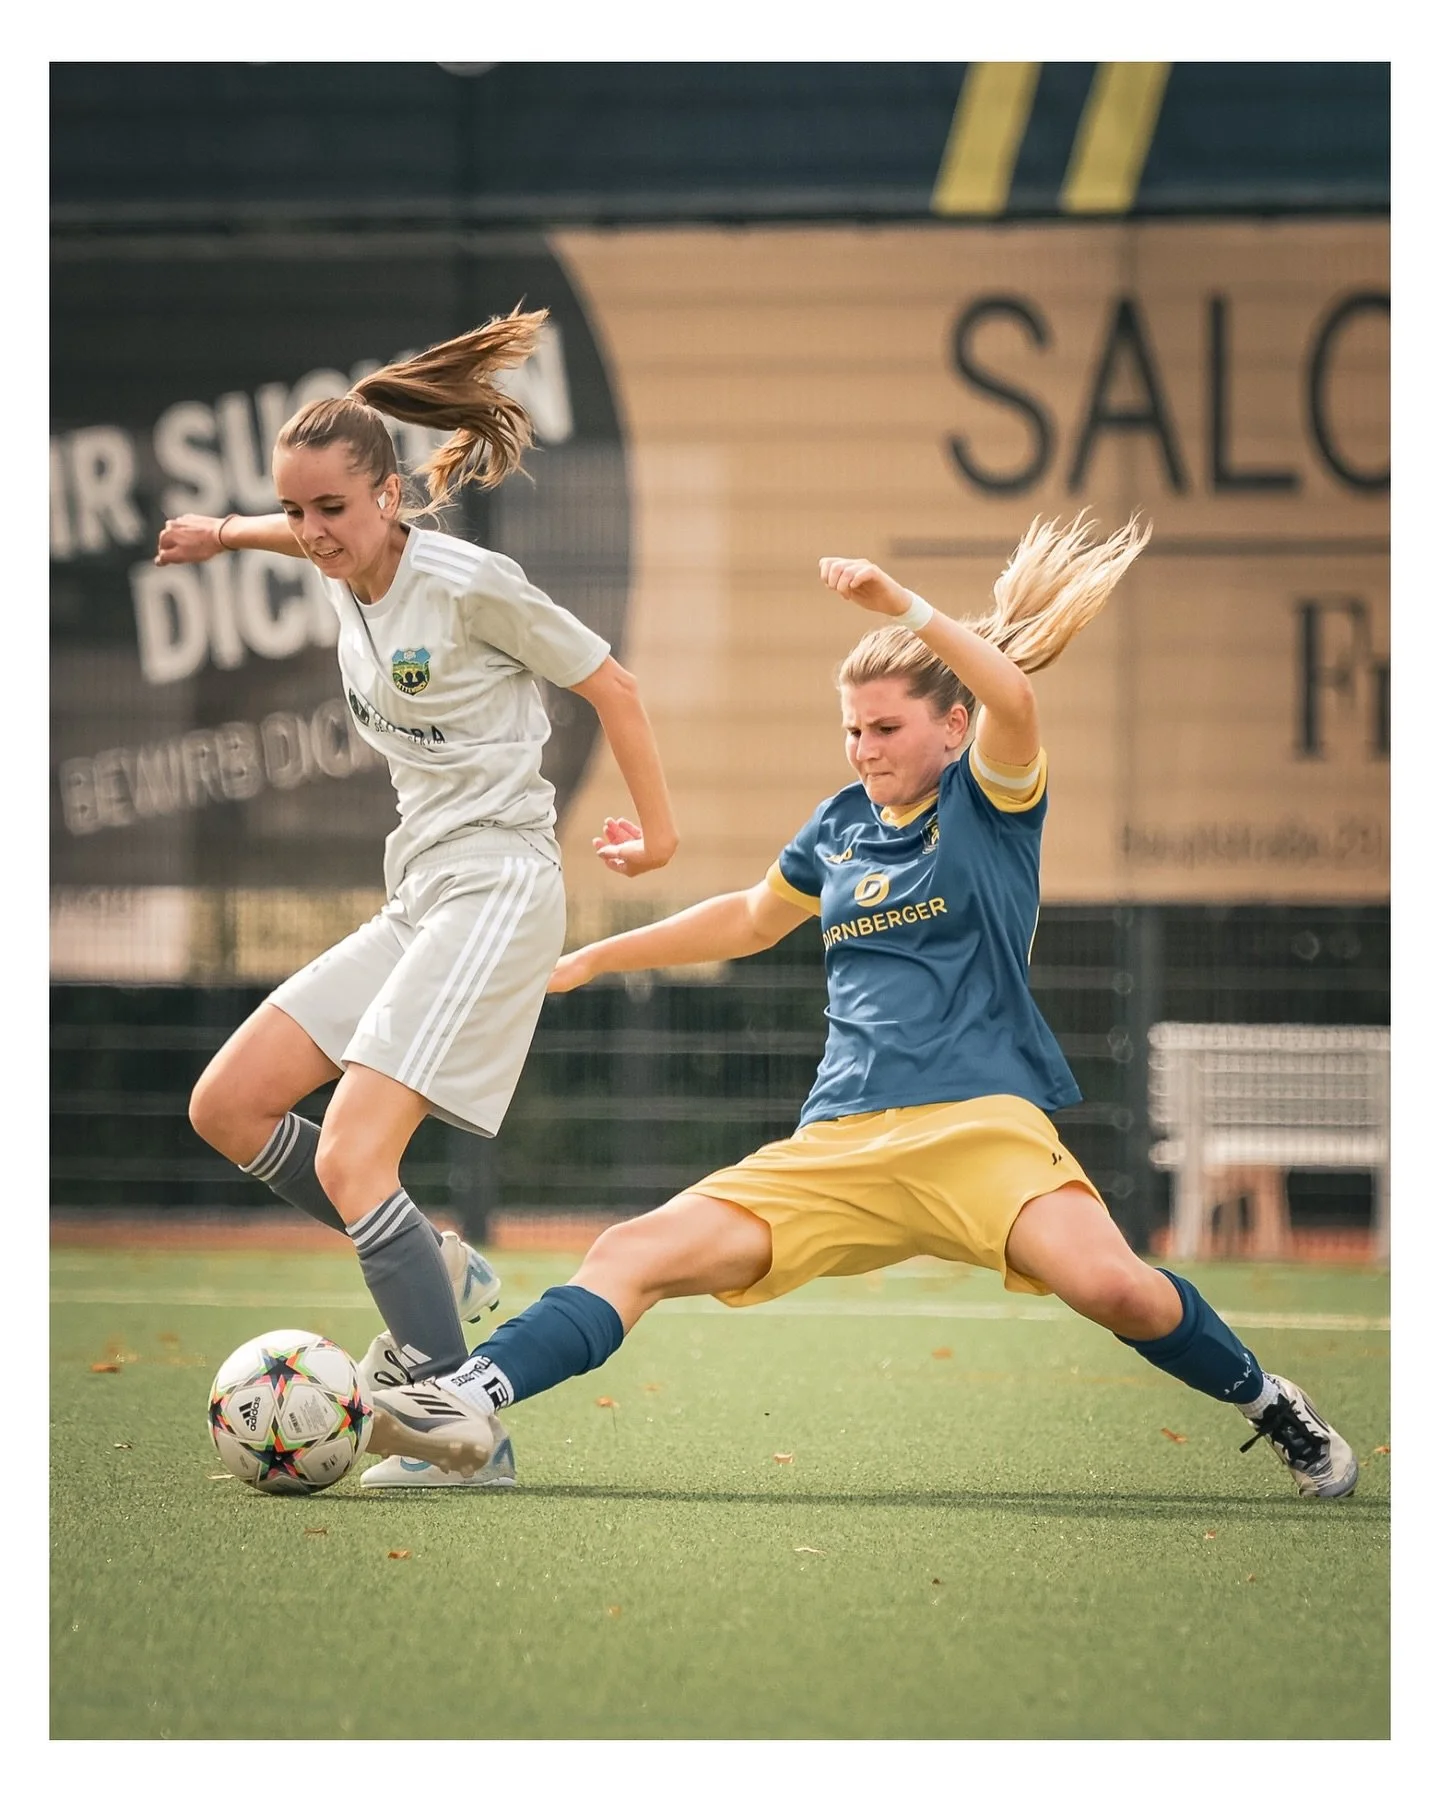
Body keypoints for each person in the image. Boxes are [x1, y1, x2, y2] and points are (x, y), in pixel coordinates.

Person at [359, 511, 1359, 1503]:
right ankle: (465, 1397)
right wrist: (590, 959)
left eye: (886, 727)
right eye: (852, 728)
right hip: (839, 1144)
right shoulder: (839, 825)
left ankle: (1271, 1401)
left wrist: (906, 607)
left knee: (1114, 1287)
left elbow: (1011, 694)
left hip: (979, 1128)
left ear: (951, 727)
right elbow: (752, 917)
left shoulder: (991, 798)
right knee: (634, 1251)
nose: (864, 747)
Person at [153, 305, 678, 1491]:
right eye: (296, 509)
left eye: (331, 507)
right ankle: (432, 1262)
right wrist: (230, 535)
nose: (312, 531)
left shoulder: (466, 579)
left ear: (389, 495)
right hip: (420, 892)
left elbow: (618, 686)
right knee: (229, 1104)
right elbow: (306, 539)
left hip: (498, 884)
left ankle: (459, 1435)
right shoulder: (345, 558)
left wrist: (661, 835)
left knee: (352, 1159)